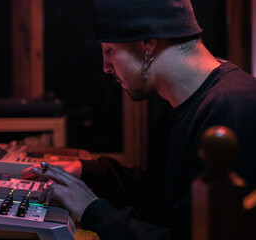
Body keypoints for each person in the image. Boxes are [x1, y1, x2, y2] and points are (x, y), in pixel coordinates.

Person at [20, 0, 256, 239]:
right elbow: (159, 194)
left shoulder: (233, 109)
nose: (106, 67)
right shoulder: (188, 101)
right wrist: (87, 171)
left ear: (148, 43)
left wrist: (94, 211)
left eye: (109, 50)